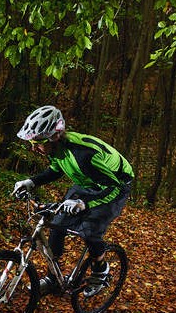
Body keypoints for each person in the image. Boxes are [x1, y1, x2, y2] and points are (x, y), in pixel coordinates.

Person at [13, 105, 134, 296]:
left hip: (115, 185)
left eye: (38, 142)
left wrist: (84, 204)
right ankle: (53, 279)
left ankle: (100, 272)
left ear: (55, 136)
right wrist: (31, 182)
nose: (34, 148)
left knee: (89, 229)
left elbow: (113, 187)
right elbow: (56, 169)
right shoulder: (56, 149)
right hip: (86, 181)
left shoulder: (85, 155)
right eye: (32, 143)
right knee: (57, 225)